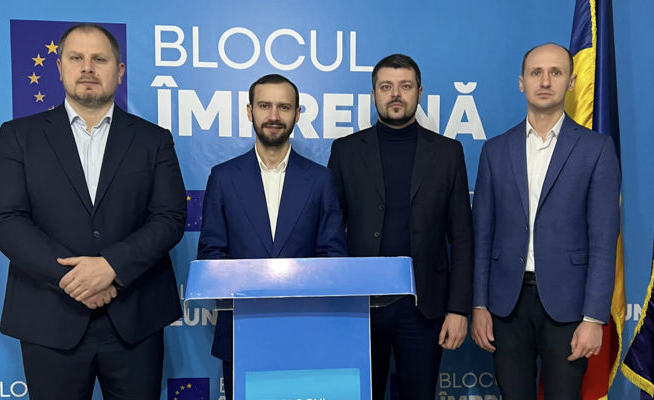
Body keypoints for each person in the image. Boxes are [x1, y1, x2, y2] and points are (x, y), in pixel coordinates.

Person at [0, 23, 186, 400]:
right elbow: (4, 219)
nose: (88, 68)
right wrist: (74, 278)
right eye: (76, 58)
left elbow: (169, 217)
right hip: (48, 318)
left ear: (119, 71)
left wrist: (111, 267)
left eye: (99, 59)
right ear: (60, 67)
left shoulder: (154, 140)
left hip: (135, 318)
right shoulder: (18, 136)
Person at [471, 43, 621, 399]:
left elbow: (603, 241)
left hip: (569, 308)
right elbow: (482, 236)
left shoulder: (597, 149)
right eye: (536, 72)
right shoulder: (495, 150)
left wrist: (594, 318)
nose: (545, 81)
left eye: (556, 72)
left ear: (571, 82)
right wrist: (478, 305)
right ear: (521, 82)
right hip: (506, 306)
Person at [327, 54, 474, 400]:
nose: (396, 94)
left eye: (405, 86)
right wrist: (333, 303)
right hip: (361, 307)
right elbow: (329, 232)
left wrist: (458, 309)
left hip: (424, 308)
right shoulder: (346, 151)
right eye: (386, 87)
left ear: (419, 93)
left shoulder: (448, 153)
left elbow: (463, 237)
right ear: (374, 94)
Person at [197, 73, 347, 400]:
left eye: (284, 107)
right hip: (241, 332)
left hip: (306, 333)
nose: (274, 116)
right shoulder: (223, 178)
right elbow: (211, 254)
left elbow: (333, 257)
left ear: (297, 114)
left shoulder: (320, 179)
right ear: (249, 111)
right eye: (265, 106)